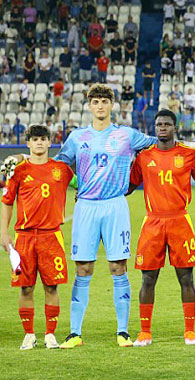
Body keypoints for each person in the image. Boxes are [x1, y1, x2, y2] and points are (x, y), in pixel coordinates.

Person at [49, 84, 159, 349]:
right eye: (95, 101)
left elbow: (161, 145)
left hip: (115, 206)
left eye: (104, 101)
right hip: (86, 206)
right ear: (89, 105)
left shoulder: (126, 135)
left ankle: (122, 332)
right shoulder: (77, 137)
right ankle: (75, 333)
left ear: (112, 105)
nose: (100, 106)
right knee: (83, 268)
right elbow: (60, 168)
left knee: (117, 266)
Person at [127, 110, 195, 347]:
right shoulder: (144, 157)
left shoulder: (189, 155)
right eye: (159, 124)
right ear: (154, 128)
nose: (162, 127)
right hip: (152, 222)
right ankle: (144, 332)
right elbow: (129, 186)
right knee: (148, 278)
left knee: (186, 277)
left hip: (180, 222)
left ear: (175, 128)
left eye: (167, 124)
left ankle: (190, 331)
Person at [1, 124, 74, 350]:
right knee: (26, 288)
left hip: (52, 237)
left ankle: (50, 334)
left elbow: (84, 186)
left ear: (49, 142)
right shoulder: (18, 170)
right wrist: (4, 232)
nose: (39, 142)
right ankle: (29, 334)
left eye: (43, 139)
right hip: (24, 237)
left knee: (52, 286)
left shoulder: (61, 170)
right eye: (35, 139)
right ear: (29, 143)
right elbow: (7, 201)